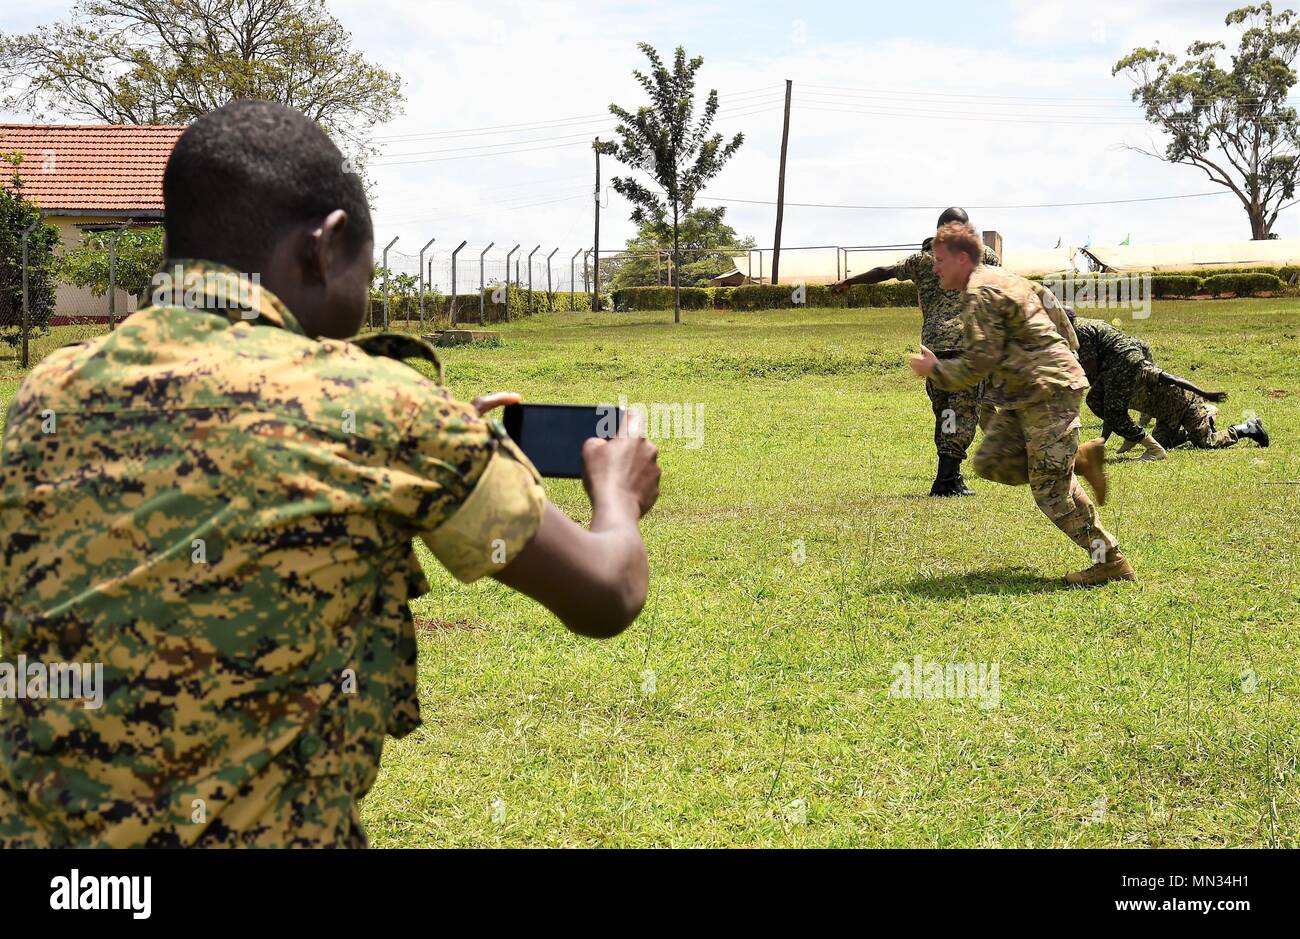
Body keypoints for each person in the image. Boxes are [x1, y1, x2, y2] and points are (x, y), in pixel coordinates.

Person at [0, 100, 660, 848]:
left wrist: (440, 452)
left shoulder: (46, 392)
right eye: (366, 269)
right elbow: (607, 592)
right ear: (327, 244)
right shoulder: (385, 410)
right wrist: (618, 492)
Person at [907, 222, 1133, 587]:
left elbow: (977, 363)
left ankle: (1109, 560)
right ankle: (1076, 458)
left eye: (939, 260)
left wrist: (936, 370)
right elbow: (1050, 303)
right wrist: (1067, 351)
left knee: (1051, 493)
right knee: (993, 462)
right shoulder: (1004, 278)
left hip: (1046, 391)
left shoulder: (979, 294)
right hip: (1025, 392)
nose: (934, 268)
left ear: (962, 258)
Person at [832, 207, 1001, 497]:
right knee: (963, 412)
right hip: (966, 346)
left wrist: (849, 281)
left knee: (946, 411)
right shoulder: (981, 256)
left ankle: (950, 476)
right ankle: (946, 480)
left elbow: (884, 271)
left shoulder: (922, 260)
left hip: (933, 349)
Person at [1067, 309, 1269, 455]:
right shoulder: (1118, 380)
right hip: (1169, 416)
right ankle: (1206, 419)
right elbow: (1111, 410)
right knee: (1165, 443)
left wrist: (1205, 393)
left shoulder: (1140, 371)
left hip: (1188, 405)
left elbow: (1173, 378)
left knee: (1206, 443)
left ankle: (1248, 428)